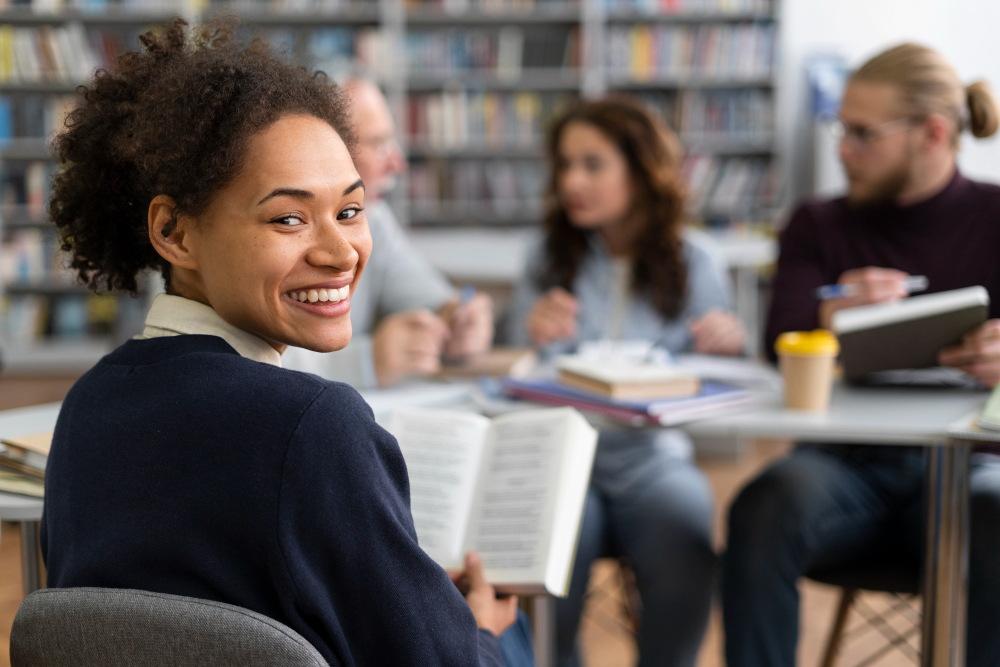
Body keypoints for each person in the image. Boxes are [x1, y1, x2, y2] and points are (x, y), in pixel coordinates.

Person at [39, 20, 532, 667]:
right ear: (175, 232)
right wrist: (487, 634)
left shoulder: (86, 406)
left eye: (351, 211)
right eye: (288, 218)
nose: (339, 252)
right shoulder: (313, 425)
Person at [723, 43, 1000, 667]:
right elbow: (779, 337)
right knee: (766, 503)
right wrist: (828, 314)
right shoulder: (818, 224)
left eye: (861, 134)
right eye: (840, 129)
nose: (842, 149)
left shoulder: (995, 216)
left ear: (933, 133)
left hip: (973, 463)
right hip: (846, 467)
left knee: (996, 509)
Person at [505, 97, 746, 667]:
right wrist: (528, 334)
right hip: (562, 457)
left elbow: (725, 375)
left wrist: (728, 343)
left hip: (654, 459)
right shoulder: (545, 258)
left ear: (641, 171)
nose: (572, 181)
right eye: (564, 165)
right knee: (552, 549)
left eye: (592, 164)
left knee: (687, 527)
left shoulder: (698, 261)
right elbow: (507, 370)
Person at [281, 77, 494, 388]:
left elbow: (437, 304)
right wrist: (362, 362)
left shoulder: (376, 219)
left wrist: (461, 323)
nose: (398, 164)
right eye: (379, 144)